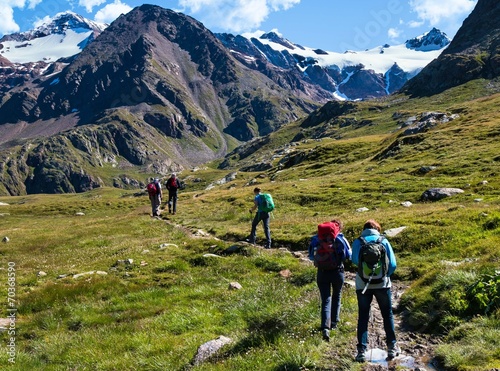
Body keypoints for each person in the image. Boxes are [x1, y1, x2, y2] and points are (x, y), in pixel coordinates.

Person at [351, 219, 399, 362]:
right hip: (382, 285)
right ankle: (392, 347)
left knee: (363, 316)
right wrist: (384, 276)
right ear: (377, 228)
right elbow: (393, 264)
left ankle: (361, 351)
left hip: (362, 285)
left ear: (364, 229)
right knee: (387, 315)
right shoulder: (383, 241)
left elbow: (354, 260)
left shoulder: (358, 242)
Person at [308, 219, 352, 342]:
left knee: (326, 299)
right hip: (337, 272)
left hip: (322, 273)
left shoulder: (317, 239)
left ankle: (325, 327)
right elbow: (348, 255)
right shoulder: (340, 238)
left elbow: (311, 255)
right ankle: (334, 322)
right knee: (337, 296)